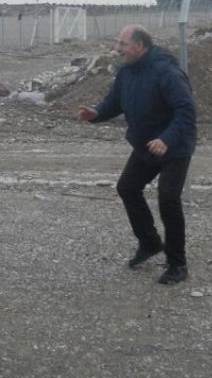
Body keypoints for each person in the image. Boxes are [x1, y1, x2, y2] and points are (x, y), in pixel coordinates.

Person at [78, 25, 197, 285]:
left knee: (168, 198)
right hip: (146, 145)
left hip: (174, 146)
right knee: (128, 187)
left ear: (139, 46)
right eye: (118, 43)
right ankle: (150, 242)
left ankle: (177, 264)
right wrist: (96, 113)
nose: (118, 49)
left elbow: (186, 111)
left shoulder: (166, 72)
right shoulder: (127, 72)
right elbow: (115, 102)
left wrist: (166, 139)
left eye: (122, 44)